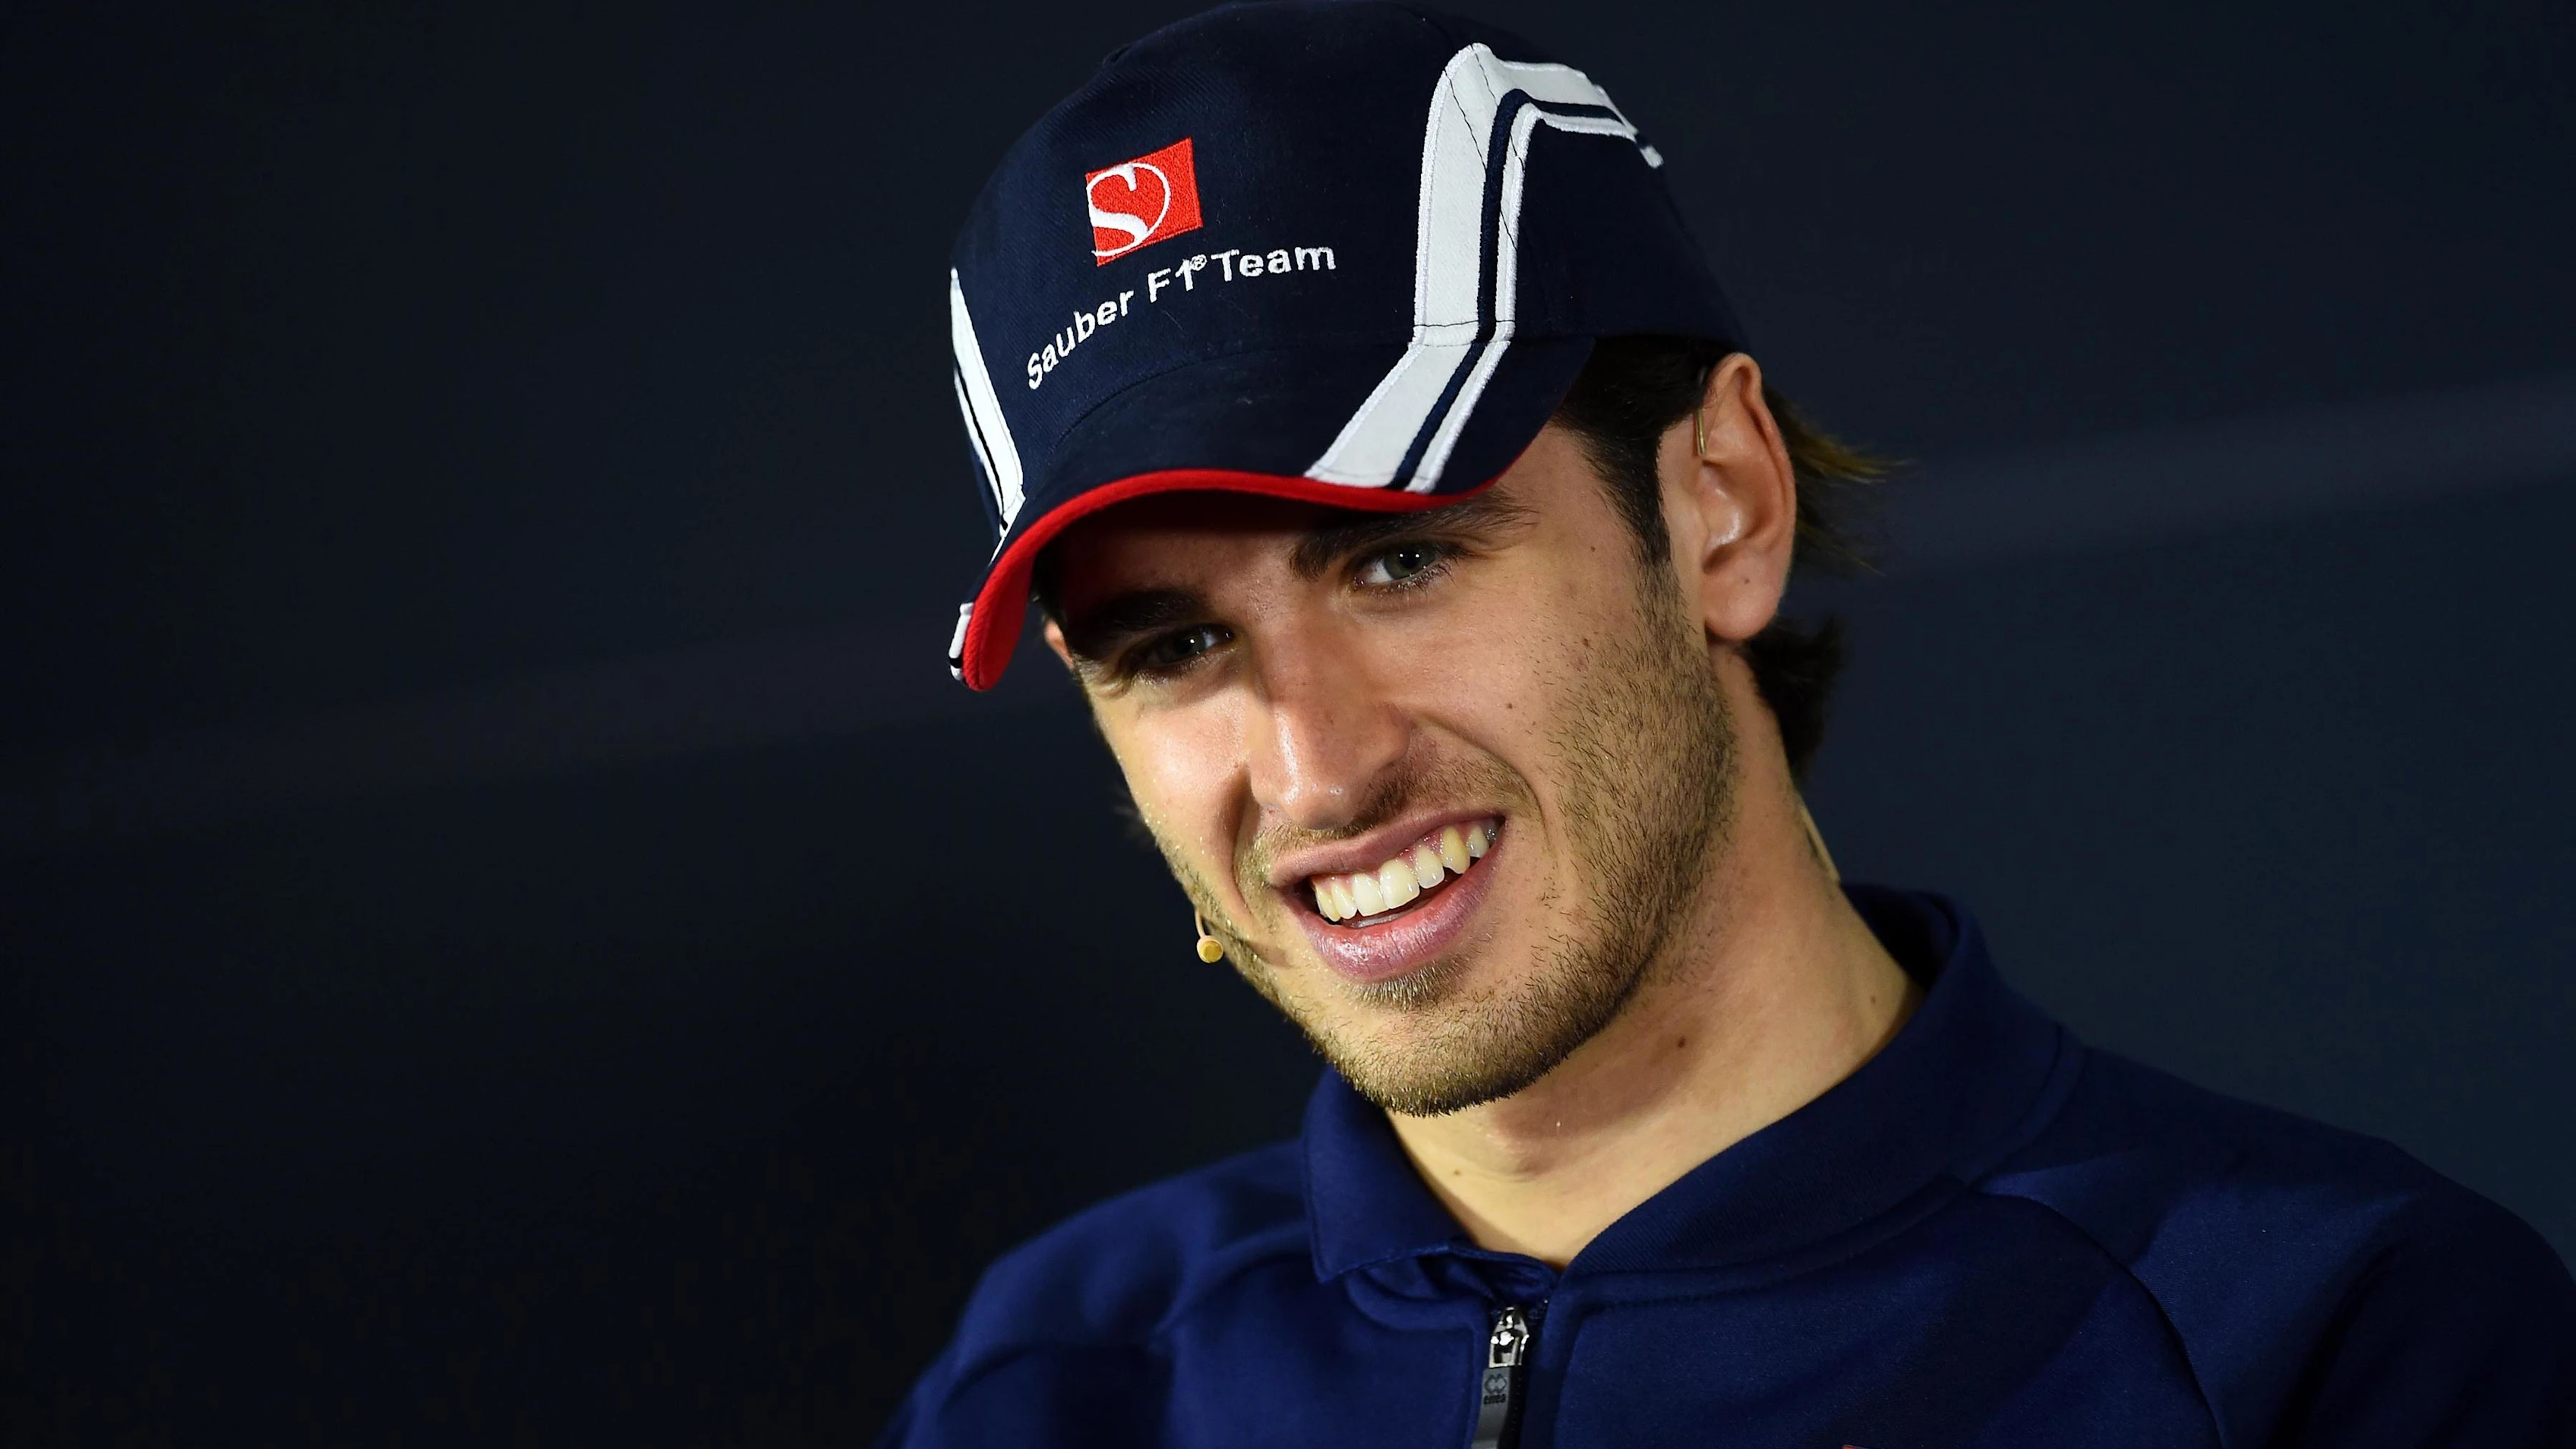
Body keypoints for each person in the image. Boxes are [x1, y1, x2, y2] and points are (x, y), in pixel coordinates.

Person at [891, 4, 2576, 1444]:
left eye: (1400, 558)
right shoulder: (1056, 1380)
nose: (1317, 768)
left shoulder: (2330, 1341)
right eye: (1174, 645)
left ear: (1722, 504)